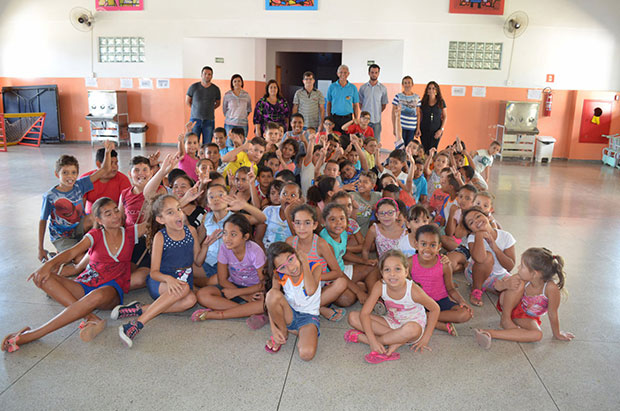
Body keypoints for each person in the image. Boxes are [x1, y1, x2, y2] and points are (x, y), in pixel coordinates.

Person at [2, 197, 143, 352]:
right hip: (86, 284)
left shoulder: (131, 233)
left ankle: (34, 334)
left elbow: (154, 220)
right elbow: (71, 252)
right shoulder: (95, 235)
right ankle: (90, 317)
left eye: (116, 210)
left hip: (110, 290)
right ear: (99, 220)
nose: (115, 216)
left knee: (96, 295)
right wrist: (47, 266)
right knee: (42, 278)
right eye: (108, 214)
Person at [113, 195, 213, 348]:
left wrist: (205, 246)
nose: (178, 214)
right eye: (170, 212)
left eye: (179, 209)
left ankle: (139, 309)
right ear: (160, 219)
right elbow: (153, 272)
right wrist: (169, 279)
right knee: (184, 288)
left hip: (182, 283)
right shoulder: (160, 237)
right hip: (160, 282)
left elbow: (198, 262)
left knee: (191, 301)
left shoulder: (191, 231)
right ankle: (136, 325)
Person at [345, 250, 440, 363]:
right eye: (387, 270)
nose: (392, 274)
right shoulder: (380, 286)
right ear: (381, 273)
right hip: (391, 322)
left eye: (397, 269)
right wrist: (372, 341)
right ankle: (395, 341)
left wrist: (426, 338)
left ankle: (369, 339)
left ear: (406, 271)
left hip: (413, 328)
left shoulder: (413, 291)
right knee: (353, 317)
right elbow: (365, 313)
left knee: (411, 329)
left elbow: (435, 309)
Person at [475, 248, 575, 349]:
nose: (518, 267)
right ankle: (505, 319)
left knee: (537, 335)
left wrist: (557, 334)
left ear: (535, 274)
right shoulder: (521, 278)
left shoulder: (551, 289)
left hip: (527, 317)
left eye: (522, 266)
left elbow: (553, 313)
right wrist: (506, 284)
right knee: (517, 283)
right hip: (509, 305)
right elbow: (497, 286)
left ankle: (489, 333)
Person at [38, 142, 114, 263]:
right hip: (62, 237)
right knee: (81, 260)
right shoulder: (50, 196)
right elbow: (42, 221)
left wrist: (108, 152)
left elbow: (105, 169)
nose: (70, 176)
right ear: (57, 174)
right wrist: (40, 248)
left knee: (96, 217)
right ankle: (56, 258)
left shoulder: (80, 185)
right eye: (65, 172)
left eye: (73, 172)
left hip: (79, 227)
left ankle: (95, 242)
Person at [192, 213, 268, 328]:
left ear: (245, 237)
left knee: (266, 303)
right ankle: (250, 311)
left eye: (233, 234)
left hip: (254, 289)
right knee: (203, 295)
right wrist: (244, 296)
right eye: (225, 233)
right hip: (233, 286)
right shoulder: (224, 247)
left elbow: (264, 283)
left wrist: (240, 293)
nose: (227, 238)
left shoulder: (255, 251)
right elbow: (222, 280)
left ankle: (219, 313)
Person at [286, 205, 350, 321]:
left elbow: (337, 273)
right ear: (293, 225)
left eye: (307, 223)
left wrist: (313, 277)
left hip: (317, 287)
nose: (302, 227)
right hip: (297, 288)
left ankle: (301, 308)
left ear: (315, 225)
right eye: (298, 223)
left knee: (341, 283)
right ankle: (317, 309)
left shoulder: (321, 244)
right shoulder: (290, 242)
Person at [411, 224, 472, 336]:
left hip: (440, 301)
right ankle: (438, 324)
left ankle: (428, 317)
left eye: (433, 245)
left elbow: (451, 288)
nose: (427, 249)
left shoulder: (444, 264)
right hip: (419, 303)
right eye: (423, 244)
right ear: (416, 244)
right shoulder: (410, 262)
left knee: (465, 314)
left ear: (439, 247)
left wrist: (462, 301)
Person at [264, 242, 321, 361]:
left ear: (296, 254)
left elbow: (310, 290)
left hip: (308, 317)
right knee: (272, 294)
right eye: (282, 267)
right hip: (289, 313)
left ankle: (297, 330)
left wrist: (304, 262)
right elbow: (270, 300)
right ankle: (284, 331)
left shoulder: (314, 267)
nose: (290, 268)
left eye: (290, 259)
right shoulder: (278, 275)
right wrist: (274, 329)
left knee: (306, 354)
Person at [462, 207, 516, 307]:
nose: (477, 221)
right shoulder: (472, 238)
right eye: (471, 222)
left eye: (478, 216)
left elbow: (510, 266)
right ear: (471, 230)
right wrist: (478, 236)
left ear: (487, 216)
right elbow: (480, 259)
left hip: (499, 275)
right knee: (487, 257)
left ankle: (490, 287)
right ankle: (476, 289)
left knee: (516, 292)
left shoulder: (506, 236)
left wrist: (494, 246)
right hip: (476, 274)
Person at [81, 147, 131, 214]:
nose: (115, 167)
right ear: (98, 164)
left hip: (114, 217)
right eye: (110, 163)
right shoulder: (86, 180)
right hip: (91, 217)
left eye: (116, 163)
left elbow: (127, 208)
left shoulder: (123, 180)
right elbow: (79, 211)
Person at [363, 198, 407, 262]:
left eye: (390, 212)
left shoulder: (405, 233)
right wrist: (366, 263)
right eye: (382, 213)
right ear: (377, 215)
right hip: (382, 267)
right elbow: (365, 250)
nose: (386, 216)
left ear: (397, 214)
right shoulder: (374, 229)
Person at [186, 66, 221, 144]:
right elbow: (188, 101)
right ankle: (194, 156)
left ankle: (205, 157)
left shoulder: (216, 89)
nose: (207, 76)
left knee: (207, 144)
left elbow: (218, 103)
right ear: (201, 75)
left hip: (209, 121)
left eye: (209, 74)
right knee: (193, 143)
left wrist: (210, 108)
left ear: (212, 76)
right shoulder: (193, 87)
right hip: (195, 120)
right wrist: (196, 109)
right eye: (205, 74)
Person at [358, 64, 388, 141]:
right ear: (369, 73)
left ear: (378, 73)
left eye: (376, 72)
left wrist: (376, 112)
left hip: (376, 121)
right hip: (364, 122)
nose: (374, 74)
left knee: (376, 143)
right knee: (363, 142)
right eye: (372, 72)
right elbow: (360, 104)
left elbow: (383, 105)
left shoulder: (383, 88)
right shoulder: (363, 88)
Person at [326, 65, 359, 133]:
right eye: (341, 72)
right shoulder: (332, 87)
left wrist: (356, 119)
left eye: (345, 72)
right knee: (335, 139)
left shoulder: (353, 88)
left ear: (348, 74)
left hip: (348, 119)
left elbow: (355, 105)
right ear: (337, 74)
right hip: (335, 118)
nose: (343, 74)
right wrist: (329, 118)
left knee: (346, 140)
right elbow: (329, 103)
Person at [392, 76, 421, 149]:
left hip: (412, 127)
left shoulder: (417, 97)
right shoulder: (398, 96)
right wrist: (394, 127)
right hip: (401, 126)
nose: (407, 85)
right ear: (402, 84)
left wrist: (418, 128)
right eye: (405, 83)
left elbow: (418, 113)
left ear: (412, 84)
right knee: (400, 147)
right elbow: (393, 113)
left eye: (409, 83)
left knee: (409, 148)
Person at [418, 81, 447, 153]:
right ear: (427, 91)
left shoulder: (441, 102)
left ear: (437, 90)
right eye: (429, 88)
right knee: (425, 150)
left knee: (433, 150)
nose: (431, 90)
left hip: (436, 131)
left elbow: (445, 116)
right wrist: (418, 128)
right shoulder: (423, 102)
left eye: (434, 88)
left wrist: (441, 130)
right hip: (424, 130)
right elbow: (419, 116)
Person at [222, 74, 252, 140]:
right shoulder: (227, 95)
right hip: (230, 124)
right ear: (232, 83)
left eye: (239, 81)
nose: (237, 83)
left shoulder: (246, 95)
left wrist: (242, 116)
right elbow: (224, 109)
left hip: (243, 124)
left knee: (242, 144)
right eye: (235, 81)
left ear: (242, 83)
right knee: (229, 143)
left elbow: (249, 109)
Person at [350, 171, 381, 235]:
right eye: (360, 181)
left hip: (371, 235)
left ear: (372, 185)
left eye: (365, 182)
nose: (360, 184)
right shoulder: (351, 196)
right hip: (354, 235)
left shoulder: (378, 196)